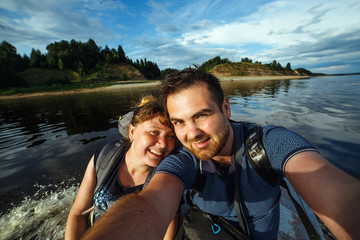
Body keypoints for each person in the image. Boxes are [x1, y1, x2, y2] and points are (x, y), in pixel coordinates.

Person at [83, 68, 360, 240]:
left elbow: (343, 200)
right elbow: (152, 205)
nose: (191, 134)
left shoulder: (270, 143)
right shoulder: (183, 158)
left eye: (202, 115)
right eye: (179, 122)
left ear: (226, 108)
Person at [65, 95, 178, 240]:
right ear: (132, 132)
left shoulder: (168, 177)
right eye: (154, 132)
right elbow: (78, 213)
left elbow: (167, 231)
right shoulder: (105, 157)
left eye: (171, 136)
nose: (163, 143)